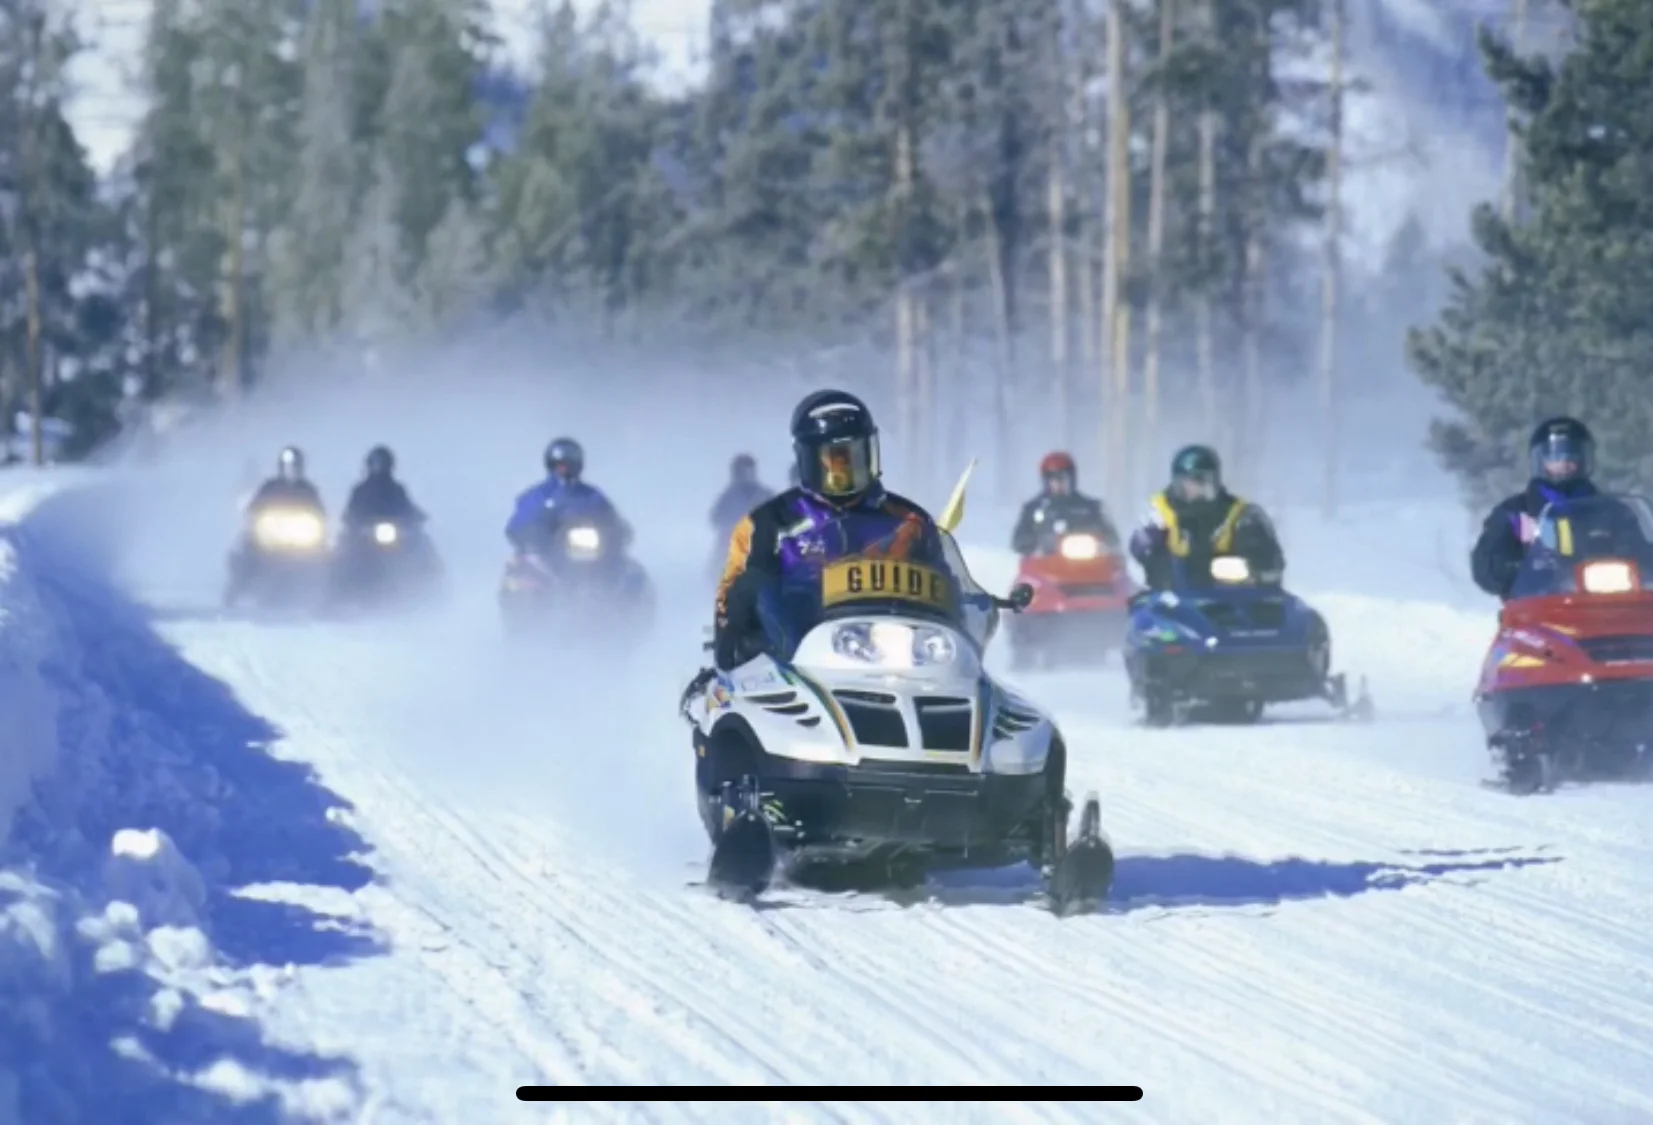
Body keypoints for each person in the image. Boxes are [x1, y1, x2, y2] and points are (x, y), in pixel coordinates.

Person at [712, 389, 948, 671]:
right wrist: (736, 637)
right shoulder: (768, 524)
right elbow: (731, 599)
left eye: (854, 456)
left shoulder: (910, 521)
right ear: (809, 460)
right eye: (834, 459)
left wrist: (976, 606)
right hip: (798, 665)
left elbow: (948, 590)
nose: (844, 470)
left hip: (901, 664)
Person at [1470, 417, 1647, 598]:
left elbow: (1644, 558)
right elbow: (1485, 569)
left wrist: (1626, 567)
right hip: (1535, 610)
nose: (1564, 463)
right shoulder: (1516, 513)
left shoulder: (1611, 512)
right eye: (1555, 457)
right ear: (1541, 460)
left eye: (1572, 456)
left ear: (1584, 459)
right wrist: (1523, 570)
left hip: (1603, 606)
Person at [1128, 444, 1284, 590]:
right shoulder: (1160, 510)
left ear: (1216, 481)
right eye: (1190, 482)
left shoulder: (1239, 513)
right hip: (1172, 597)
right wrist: (1151, 555)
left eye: (1203, 481)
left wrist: (1254, 556)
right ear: (1178, 483)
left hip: (1230, 596)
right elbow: (1142, 543)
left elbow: (1267, 556)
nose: (1197, 489)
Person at [504, 436, 632, 556]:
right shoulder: (539, 495)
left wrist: (618, 533)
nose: (564, 469)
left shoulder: (591, 495)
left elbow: (613, 519)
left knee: (631, 570)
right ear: (551, 465)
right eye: (559, 465)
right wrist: (531, 538)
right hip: (548, 557)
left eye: (569, 465)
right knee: (521, 571)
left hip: (592, 557)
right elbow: (517, 525)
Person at [1011, 451, 1121, 555]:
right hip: (1043, 567)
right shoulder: (1033, 509)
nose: (1058, 484)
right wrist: (1037, 542)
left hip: (1086, 566)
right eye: (1053, 480)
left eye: (1063, 478)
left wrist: (1099, 541)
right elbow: (1018, 541)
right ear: (1046, 482)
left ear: (1072, 480)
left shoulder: (1090, 507)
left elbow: (1112, 538)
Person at [342, 445, 425, 528]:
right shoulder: (360, 490)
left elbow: (407, 507)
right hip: (366, 533)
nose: (378, 468)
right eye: (375, 464)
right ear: (369, 465)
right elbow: (351, 510)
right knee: (345, 537)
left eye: (382, 464)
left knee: (419, 535)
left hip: (396, 532)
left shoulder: (397, 490)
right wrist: (350, 519)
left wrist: (416, 516)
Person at [710, 454, 774, 544]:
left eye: (748, 471)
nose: (746, 475)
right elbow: (715, 519)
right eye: (742, 472)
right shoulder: (728, 497)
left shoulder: (765, 495)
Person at [245, 446, 324, 514]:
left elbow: (319, 510)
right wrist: (256, 511)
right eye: (287, 467)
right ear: (281, 466)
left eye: (293, 466)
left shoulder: (307, 490)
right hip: (272, 526)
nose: (290, 470)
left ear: (299, 467)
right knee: (249, 532)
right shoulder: (270, 487)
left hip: (300, 528)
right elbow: (255, 505)